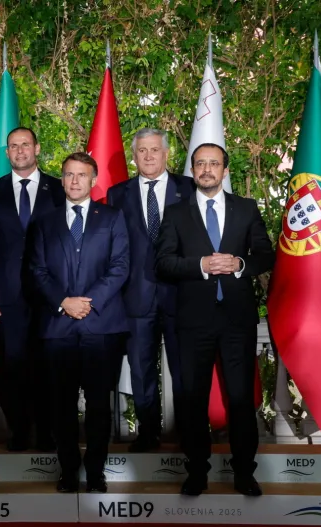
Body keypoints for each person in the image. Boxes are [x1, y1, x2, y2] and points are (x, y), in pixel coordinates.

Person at [156, 143, 274, 497]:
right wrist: (200, 266)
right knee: (192, 399)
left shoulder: (247, 209)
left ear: (225, 170)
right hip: (193, 322)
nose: (207, 169)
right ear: (193, 170)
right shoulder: (176, 213)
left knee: (240, 399)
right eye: (200, 163)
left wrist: (239, 265)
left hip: (237, 321)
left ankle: (244, 473)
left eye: (214, 163)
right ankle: (197, 472)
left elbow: (265, 256)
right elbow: (163, 262)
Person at [30, 152, 129, 494]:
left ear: (93, 180)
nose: (74, 181)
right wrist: (63, 302)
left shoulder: (113, 218)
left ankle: (96, 471)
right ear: (62, 179)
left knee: (100, 405)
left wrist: (88, 303)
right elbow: (37, 271)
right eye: (69, 175)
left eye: (81, 175)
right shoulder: (45, 221)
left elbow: (120, 267)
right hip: (58, 329)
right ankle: (69, 470)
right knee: (62, 406)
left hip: (102, 327)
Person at [108, 128, 195, 451]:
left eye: (154, 150)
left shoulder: (188, 189)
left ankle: (189, 432)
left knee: (183, 370)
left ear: (166, 154)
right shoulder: (118, 194)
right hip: (135, 298)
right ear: (134, 155)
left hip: (180, 296)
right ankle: (148, 432)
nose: (148, 156)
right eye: (142, 151)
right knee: (142, 369)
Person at [0, 126, 64, 452]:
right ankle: (19, 431)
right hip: (7, 300)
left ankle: (47, 433)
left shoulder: (58, 190)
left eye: (25, 144)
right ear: (7, 153)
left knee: (47, 368)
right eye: (13, 146)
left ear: (37, 148)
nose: (19, 150)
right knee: (12, 368)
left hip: (49, 298)